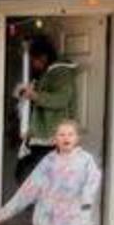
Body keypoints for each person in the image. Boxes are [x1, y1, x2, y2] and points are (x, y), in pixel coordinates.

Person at [15, 35, 78, 185]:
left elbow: (61, 99)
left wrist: (35, 95)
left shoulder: (61, 73)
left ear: (43, 57)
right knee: (25, 174)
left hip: (52, 137)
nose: (32, 64)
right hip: (41, 137)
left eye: (34, 60)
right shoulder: (46, 74)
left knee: (35, 177)